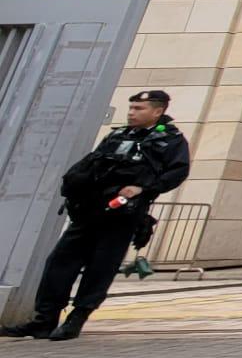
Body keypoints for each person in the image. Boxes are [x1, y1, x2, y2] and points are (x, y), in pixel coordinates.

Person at [3, 89, 188, 342]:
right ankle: (43, 321)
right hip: (90, 210)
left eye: (139, 109)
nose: (132, 113)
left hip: (122, 213)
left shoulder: (170, 140)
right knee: (59, 263)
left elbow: (177, 173)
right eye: (131, 108)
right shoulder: (118, 134)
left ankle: (76, 319)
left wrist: (144, 188)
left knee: (100, 267)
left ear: (158, 111)